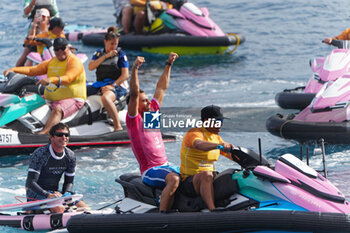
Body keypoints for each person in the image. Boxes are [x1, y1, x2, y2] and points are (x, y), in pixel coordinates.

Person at [126, 52, 179, 212]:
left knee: (194, 173)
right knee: (174, 179)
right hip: (150, 171)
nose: (149, 101)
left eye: (148, 99)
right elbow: (134, 94)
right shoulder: (134, 121)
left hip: (166, 165)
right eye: (144, 100)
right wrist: (135, 68)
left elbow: (161, 88)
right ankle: (163, 216)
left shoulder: (152, 116)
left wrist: (168, 64)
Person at [4, 37, 87, 135]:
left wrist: (51, 80)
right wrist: (13, 70)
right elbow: (32, 70)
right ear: (54, 50)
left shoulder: (74, 61)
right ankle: (10, 125)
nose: (60, 51)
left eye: (63, 48)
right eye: (57, 49)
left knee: (57, 110)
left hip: (74, 99)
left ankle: (44, 133)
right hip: (51, 98)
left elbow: (68, 77)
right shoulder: (52, 62)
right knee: (27, 100)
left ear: (68, 48)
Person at [179, 105, 235, 211]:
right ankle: (212, 210)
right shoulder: (194, 133)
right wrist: (218, 146)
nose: (221, 125)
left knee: (232, 174)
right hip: (189, 182)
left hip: (208, 178)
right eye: (217, 121)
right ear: (206, 121)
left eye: (221, 121)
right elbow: (198, 144)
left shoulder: (217, 138)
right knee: (207, 175)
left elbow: (232, 156)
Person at [25, 123, 90, 213]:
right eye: (60, 135)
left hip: (55, 193)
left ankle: (72, 213)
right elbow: (30, 182)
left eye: (66, 135)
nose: (64, 137)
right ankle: (31, 210)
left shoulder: (70, 156)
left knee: (85, 209)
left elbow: (69, 182)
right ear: (52, 137)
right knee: (60, 209)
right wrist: (47, 195)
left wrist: (66, 194)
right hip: (36, 193)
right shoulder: (40, 154)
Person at [88, 26, 129, 131]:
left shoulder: (121, 55)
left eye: (116, 44)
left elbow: (125, 75)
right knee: (79, 91)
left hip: (117, 85)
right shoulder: (98, 53)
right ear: (105, 42)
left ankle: (117, 126)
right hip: (100, 84)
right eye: (112, 44)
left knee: (105, 98)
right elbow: (91, 67)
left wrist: (113, 86)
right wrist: (105, 56)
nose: (114, 47)